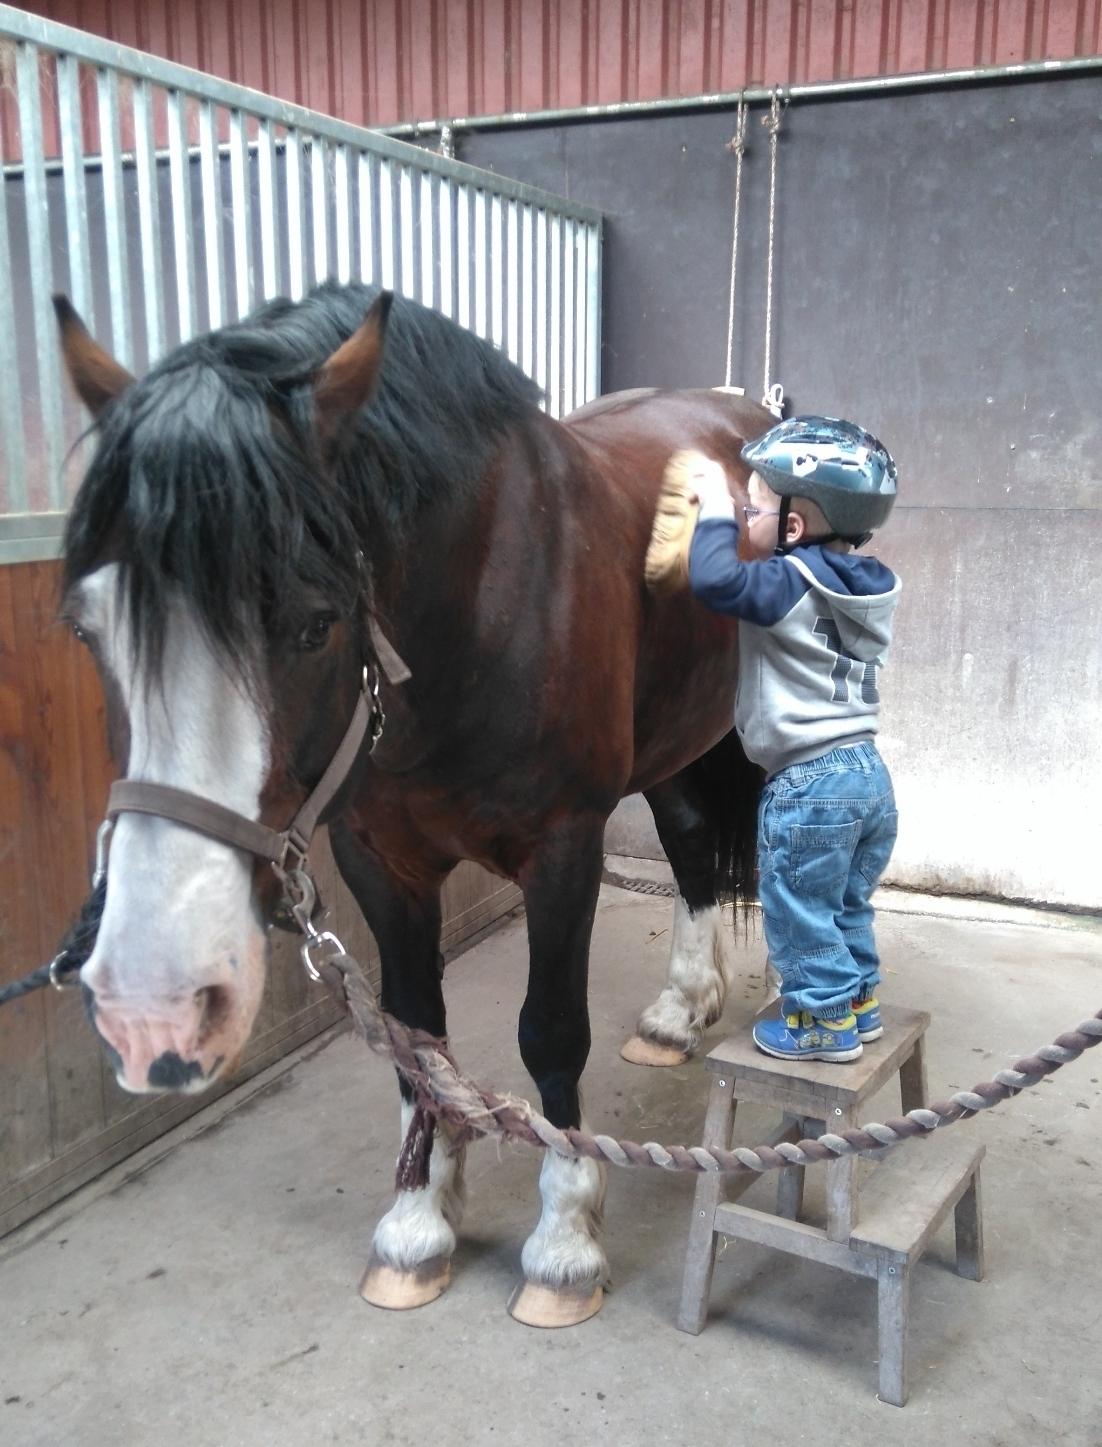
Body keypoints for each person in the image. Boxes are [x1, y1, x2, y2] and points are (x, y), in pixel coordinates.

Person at [687, 416, 901, 1062]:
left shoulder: (788, 582)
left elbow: (715, 581)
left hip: (809, 786)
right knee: (842, 903)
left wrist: (715, 514)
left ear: (795, 527)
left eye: (754, 506)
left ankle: (822, 1023)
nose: (746, 510)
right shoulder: (862, 586)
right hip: (867, 775)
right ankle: (859, 1002)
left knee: (798, 908)